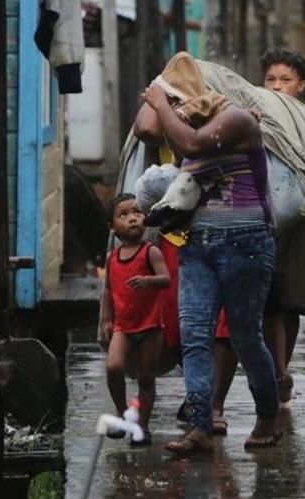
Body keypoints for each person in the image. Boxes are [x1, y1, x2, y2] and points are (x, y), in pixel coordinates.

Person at [138, 52, 281, 455]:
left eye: (174, 101)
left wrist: (162, 102)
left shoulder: (237, 120)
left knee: (245, 335)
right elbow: (147, 126)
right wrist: (160, 100)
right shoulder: (187, 121)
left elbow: (192, 143)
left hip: (247, 243)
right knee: (194, 334)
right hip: (198, 246)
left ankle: (266, 417)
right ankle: (200, 423)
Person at [210, 49, 305, 431]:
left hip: (299, 226)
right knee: (268, 302)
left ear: (301, 85)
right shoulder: (253, 118)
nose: (276, 87)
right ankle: (275, 376)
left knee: (289, 302)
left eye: (284, 80)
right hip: (260, 224)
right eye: (270, 80)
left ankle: (280, 370)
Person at [98, 193, 172, 446]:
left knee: (146, 377)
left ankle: (142, 427)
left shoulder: (150, 252)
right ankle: (121, 412)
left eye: (137, 213)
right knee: (114, 366)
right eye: (124, 215)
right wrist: (106, 320)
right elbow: (108, 290)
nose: (132, 218)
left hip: (151, 325)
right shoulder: (112, 258)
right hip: (123, 326)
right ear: (112, 227)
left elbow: (166, 279)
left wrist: (148, 280)